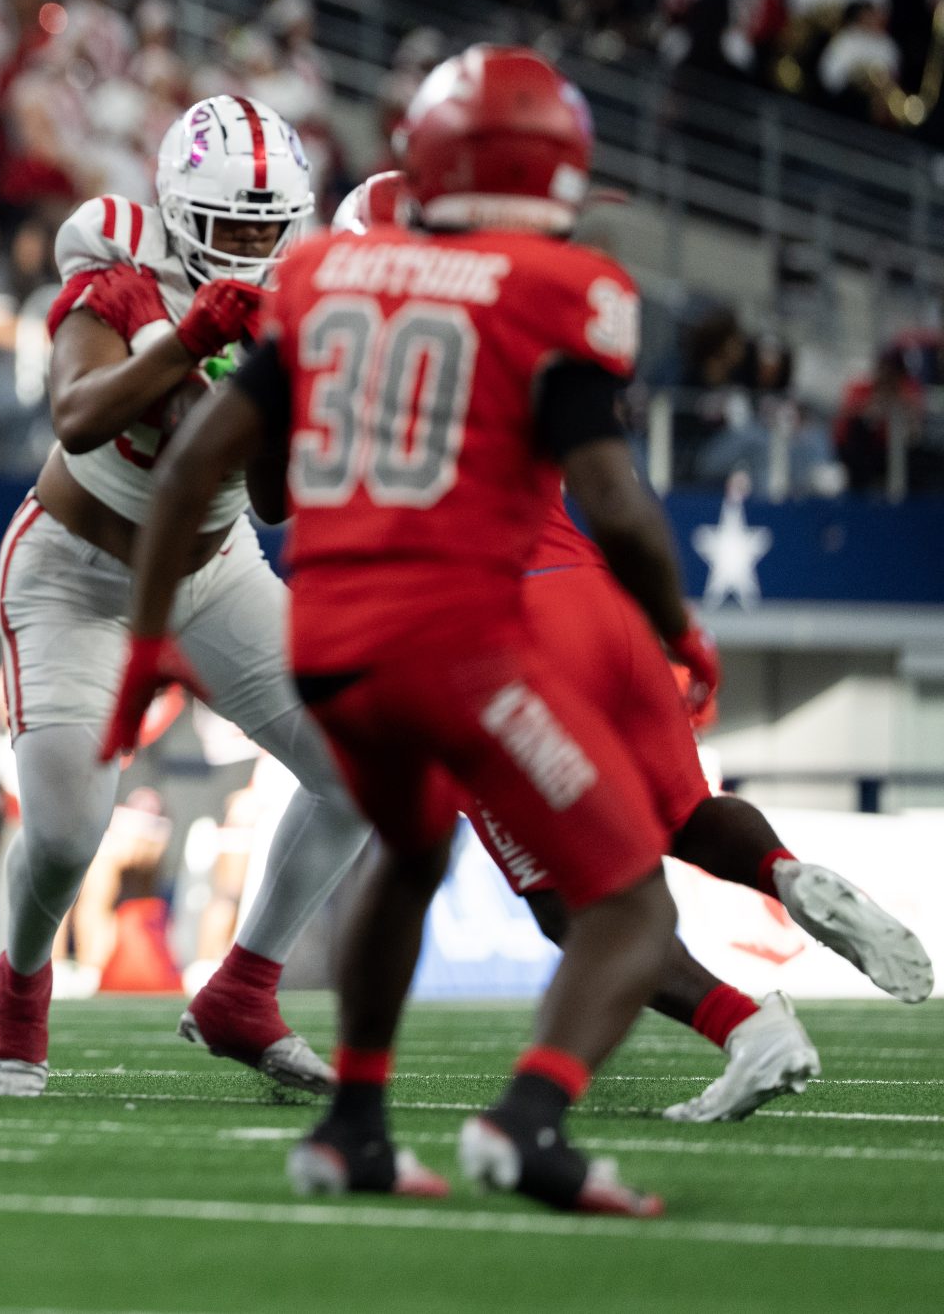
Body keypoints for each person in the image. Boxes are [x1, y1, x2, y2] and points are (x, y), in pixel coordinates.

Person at [112, 44, 699, 1215]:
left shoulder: (323, 273)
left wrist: (142, 651)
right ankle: (528, 1123)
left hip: (328, 642)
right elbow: (617, 503)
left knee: (412, 849)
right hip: (456, 645)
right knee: (630, 902)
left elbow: (202, 476)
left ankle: (354, 1129)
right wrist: (680, 631)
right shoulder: (560, 285)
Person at [336, 174, 930, 1124]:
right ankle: (784, 873)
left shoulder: (340, 346)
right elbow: (609, 484)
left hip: (498, 632)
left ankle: (744, 1025)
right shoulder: (516, 320)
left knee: (573, 900)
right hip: (597, 598)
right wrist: (677, 625)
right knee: (683, 811)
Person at [0, 96, 370, 1101]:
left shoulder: (304, 301)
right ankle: (21, 986)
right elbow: (76, 416)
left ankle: (244, 988)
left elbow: (275, 501)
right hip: (75, 572)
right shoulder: (123, 271)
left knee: (363, 766)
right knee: (65, 836)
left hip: (213, 569)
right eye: (228, 226)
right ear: (179, 210)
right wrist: (186, 339)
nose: (249, 248)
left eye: (265, 229)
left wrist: (281, 387)